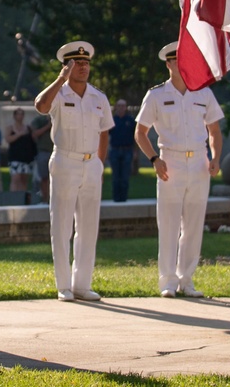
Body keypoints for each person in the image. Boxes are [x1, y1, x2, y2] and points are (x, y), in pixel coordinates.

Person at [134, 42, 224, 298]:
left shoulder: (203, 92)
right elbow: (140, 132)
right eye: (175, 60)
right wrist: (153, 159)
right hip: (169, 162)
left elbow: (214, 130)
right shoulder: (156, 95)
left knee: (194, 225)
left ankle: (187, 279)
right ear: (168, 64)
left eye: (184, 59)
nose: (179, 64)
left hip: (198, 163)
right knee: (169, 223)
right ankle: (168, 281)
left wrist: (216, 157)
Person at [34, 40, 113, 303]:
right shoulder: (59, 93)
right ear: (66, 66)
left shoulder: (98, 97)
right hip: (65, 161)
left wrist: (99, 163)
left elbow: (104, 132)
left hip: (91, 164)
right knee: (62, 226)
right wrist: (60, 79)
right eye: (77, 63)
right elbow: (41, 106)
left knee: (89, 227)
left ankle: (82, 284)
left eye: (86, 63)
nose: (83, 67)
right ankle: (64, 285)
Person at [108, 99, 137, 202]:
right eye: (119, 105)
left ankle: (123, 199)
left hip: (127, 151)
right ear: (116, 107)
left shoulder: (130, 120)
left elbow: (136, 137)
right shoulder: (112, 120)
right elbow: (105, 136)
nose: (121, 108)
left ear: (126, 107)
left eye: (123, 105)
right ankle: (116, 199)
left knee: (125, 177)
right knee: (116, 177)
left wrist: (135, 152)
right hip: (115, 151)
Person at [6, 108, 37, 192]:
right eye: (18, 114)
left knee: (24, 180)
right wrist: (20, 134)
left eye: (21, 114)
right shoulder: (10, 128)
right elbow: (8, 139)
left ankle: (23, 198)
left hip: (26, 158)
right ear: (14, 116)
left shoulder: (28, 128)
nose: (20, 116)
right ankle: (13, 198)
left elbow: (34, 139)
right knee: (15, 178)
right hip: (15, 157)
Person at [30, 113, 53, 202]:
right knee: (44, 178)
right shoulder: (40, 120)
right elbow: (34, 134)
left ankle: (54, 200)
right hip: (43, 152)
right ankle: (45, 199)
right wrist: (48, 126)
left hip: (58, 151)